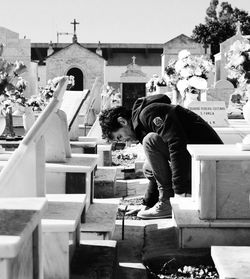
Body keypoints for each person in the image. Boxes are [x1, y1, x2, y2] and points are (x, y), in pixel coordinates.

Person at [99, 94, 223, 219]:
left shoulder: (150, 112)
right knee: (149, 168)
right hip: (197, 163)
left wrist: (179, 192)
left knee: (150, 141)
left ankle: (167, 202)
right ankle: (165, 201)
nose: (125, 141)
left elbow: (177, 144)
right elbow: (157, 168)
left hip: (213, 164)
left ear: (122, 121)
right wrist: (148, 204)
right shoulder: (142, 125)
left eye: (120, 137)